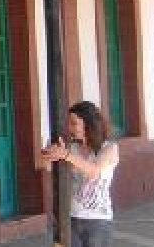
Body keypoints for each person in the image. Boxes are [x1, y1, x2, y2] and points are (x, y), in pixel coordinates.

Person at [42, 100, 120, 247]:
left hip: (98, 221)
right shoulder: (72, 148)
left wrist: (65, 155)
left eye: (74, 123)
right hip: (70, 218)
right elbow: (48, 169)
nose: (70, 128)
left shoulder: (109, 148)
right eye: (69, 123)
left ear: (88, 123)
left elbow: (94, 171)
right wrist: (49, 153)